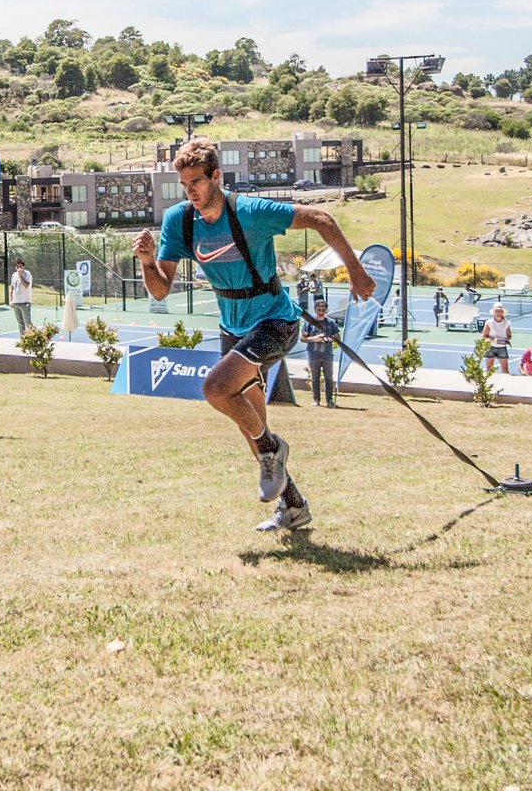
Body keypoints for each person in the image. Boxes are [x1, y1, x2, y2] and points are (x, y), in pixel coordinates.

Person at [132, 137, 374, 534]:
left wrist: (356, 270)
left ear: (216, 176)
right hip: (234, 327)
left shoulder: (249, 211)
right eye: (184, 184)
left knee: (216, 390)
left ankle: (272, 449)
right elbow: (160, 290)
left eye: (196, 182)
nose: (190, 191)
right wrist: (146, 262)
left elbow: (321, 218)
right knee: (250, 423)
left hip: (276, 321)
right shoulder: (180, 221)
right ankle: (293, 506)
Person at [301, 298, 340, 407]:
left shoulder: (331, 323)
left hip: (327, 354)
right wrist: (315, 339)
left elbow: (338, 337)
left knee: (329, 378)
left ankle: (329, 400)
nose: (321, 312)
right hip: (313, 354)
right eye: (319, 310)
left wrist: (327, 339)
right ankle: (316, 400)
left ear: (326, 310)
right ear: (315, 310)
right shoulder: (309, 322)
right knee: (315, 378)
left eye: (323, 310)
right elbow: (303, 338)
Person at [482, 302, 512, 374]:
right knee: (489, 368)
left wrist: (505, 340)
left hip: (502, 348)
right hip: (490, 347)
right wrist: (494, 340)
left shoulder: (506, 323)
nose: (498, 313)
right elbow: (484, 336)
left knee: (505, 369)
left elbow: (509, 335)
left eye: (500, 311)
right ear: (494, 312)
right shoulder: (489, 322)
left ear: (502, 312)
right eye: (496, 311)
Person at [10, 257, 33, 336]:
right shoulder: (14, 275)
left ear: (23, 266)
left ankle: (34, 338)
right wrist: (11, 300)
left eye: (20, 266)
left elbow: (26, 285)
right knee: (20, 323)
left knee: (28, 323)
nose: (19, 268)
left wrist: (20, 276)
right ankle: (23, 340)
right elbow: (12, 288)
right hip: (16, 302)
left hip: (25, 302)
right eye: (17, 266)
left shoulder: (27, 274)